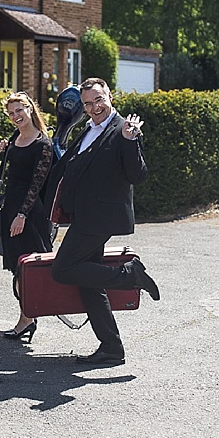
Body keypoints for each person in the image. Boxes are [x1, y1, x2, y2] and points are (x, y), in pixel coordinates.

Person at [50, 77, 159, 365]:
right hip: (84, 215)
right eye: (88, 103)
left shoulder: (122, 128)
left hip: (101, 217)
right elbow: (66, 165)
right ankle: (111, 347)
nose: (94, 107)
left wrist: (130, 139)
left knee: (63, 269)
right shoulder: (88, 128)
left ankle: (130, 275)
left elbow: (138, 176)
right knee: (87, 278)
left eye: (99, 100)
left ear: (109, 95)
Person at [0, 91, 62, 343]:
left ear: (30, 108)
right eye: (11, 113)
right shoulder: (15, 138)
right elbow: (11, 175)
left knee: (28, 268)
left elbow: (36, 183)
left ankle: (27, 319)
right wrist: (5, 152)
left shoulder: (43, 144)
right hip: (11, 208)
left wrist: (22, 214)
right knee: (18, 268)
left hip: (29, 213)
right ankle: (27, 318)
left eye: (19, 110)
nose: (15, 116)